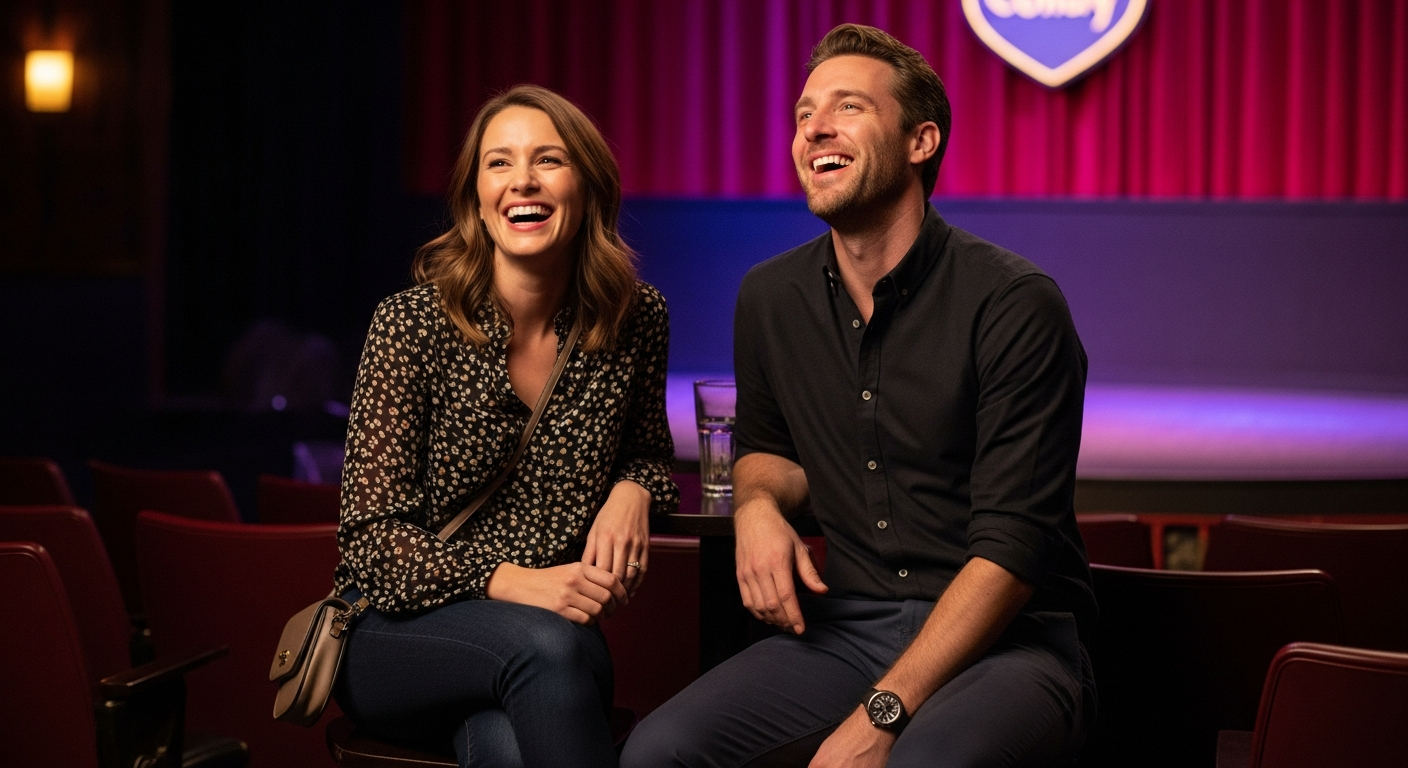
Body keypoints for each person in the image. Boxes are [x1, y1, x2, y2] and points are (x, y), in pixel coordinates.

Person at [622, 24, 1095, 768]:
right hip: (845, 631)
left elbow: (1011, 554)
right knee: (658, 753)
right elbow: (768, 452)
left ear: (921, 141)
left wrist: (882, 713)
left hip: (1008, 645)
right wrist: (754, 506)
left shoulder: (1014, 303)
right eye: (805, 113)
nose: (815, 128)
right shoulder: (769, 298)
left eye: (848, 107)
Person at [332, 84, 678, 768]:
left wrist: (635, 488)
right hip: (397, 635)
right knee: (545, 649)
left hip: (553, 644)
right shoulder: (410, 325)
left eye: (549, 160)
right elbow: (371, 544)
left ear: (586, 187)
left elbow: (647, 452)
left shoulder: (636, 318)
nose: (523, 180)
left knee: (505, 743)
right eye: (499, 163)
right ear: (475, 200)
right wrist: (515, 581)